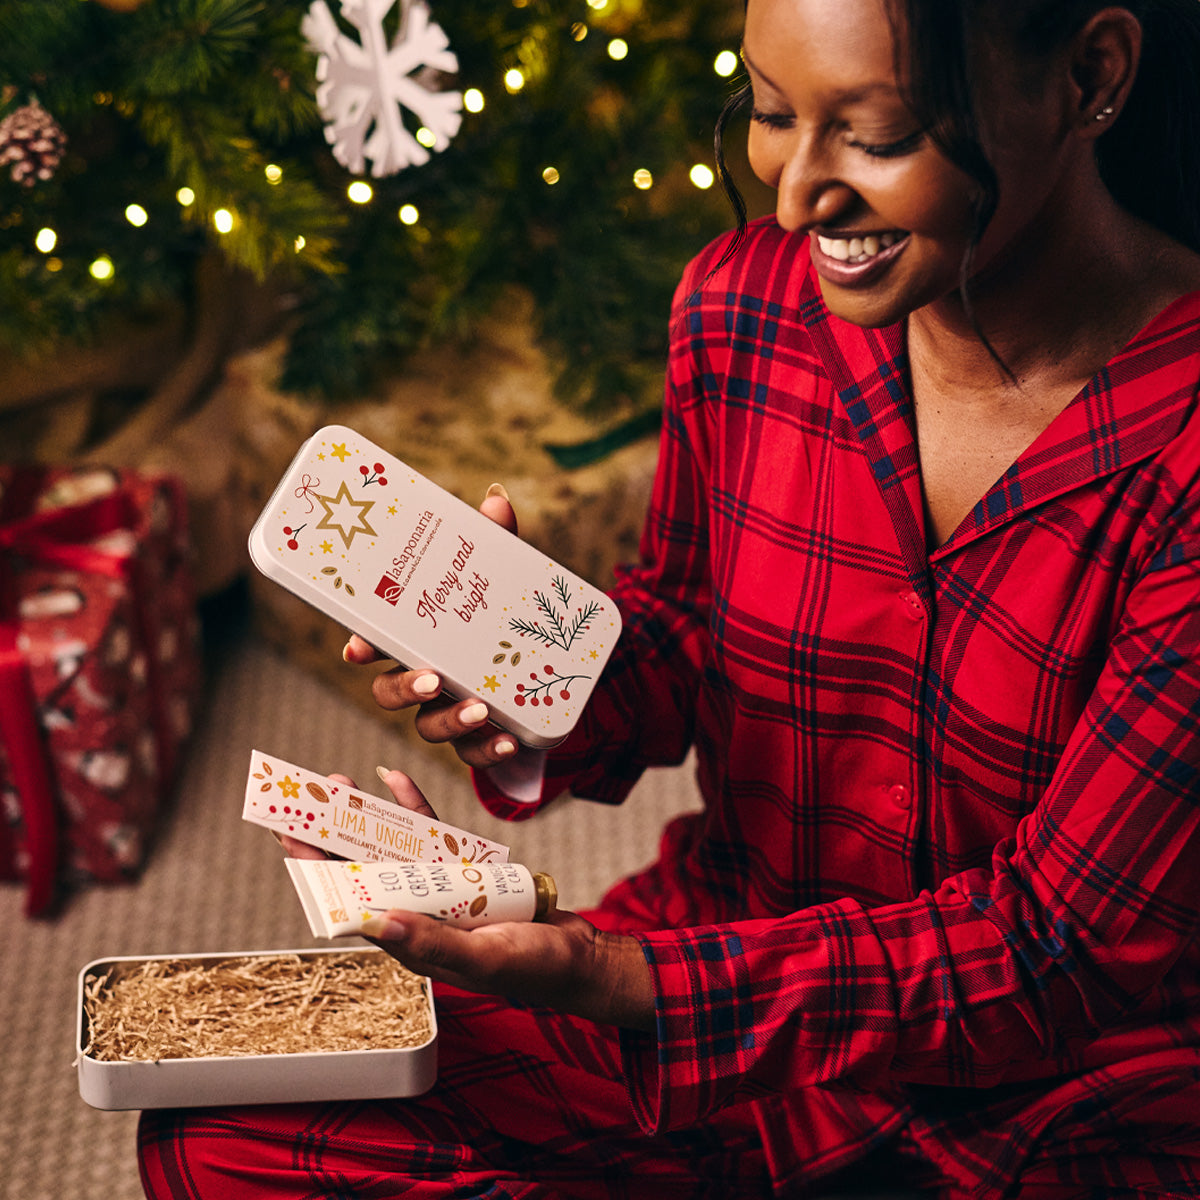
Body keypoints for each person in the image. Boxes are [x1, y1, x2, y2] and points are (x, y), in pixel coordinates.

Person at [139, 1, 1200, 1196]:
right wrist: (536, 688)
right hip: (732, 973)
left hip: (1057, 1083)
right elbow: (686, 631)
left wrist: (622, 983)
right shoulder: (743, 304)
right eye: (772, 112)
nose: (795, 198)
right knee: (221, 1115)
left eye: (879, 135)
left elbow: (1055, 951)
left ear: (1090, 76)